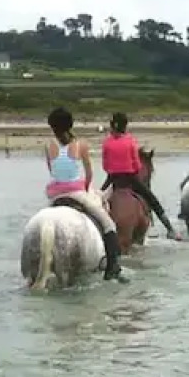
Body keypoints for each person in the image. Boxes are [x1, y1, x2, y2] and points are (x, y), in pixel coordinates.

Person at [43, 106, 124, 281]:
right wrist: (86, 188)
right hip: (76, 192)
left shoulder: (48, 146)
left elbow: (51, 170)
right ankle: (112, 267)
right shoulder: (81, 145)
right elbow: (89, 174)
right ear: (70, 125)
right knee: (108, 224)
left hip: (55, 194)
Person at [99, 112, 179, 240]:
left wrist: (114, 170)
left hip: (113, 179)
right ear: (125, 126)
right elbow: (137, 165)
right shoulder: (130, 141)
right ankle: (170, 229)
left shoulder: (107, 143)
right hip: (131, 179)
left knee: (97, 200)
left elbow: (105, 166)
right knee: (152, 200)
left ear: (112, 126)